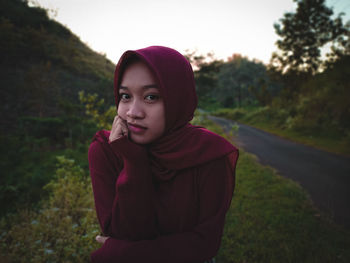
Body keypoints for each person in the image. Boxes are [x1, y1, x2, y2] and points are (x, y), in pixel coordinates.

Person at [88, 46, 239, 263]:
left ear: (178, 99)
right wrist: (133, 161)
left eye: (151, 97)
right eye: (125, 96)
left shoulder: (208, 155)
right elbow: (121, 233)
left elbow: (205, 243)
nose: (133, 112)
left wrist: (123, 253)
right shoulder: (106, 150)